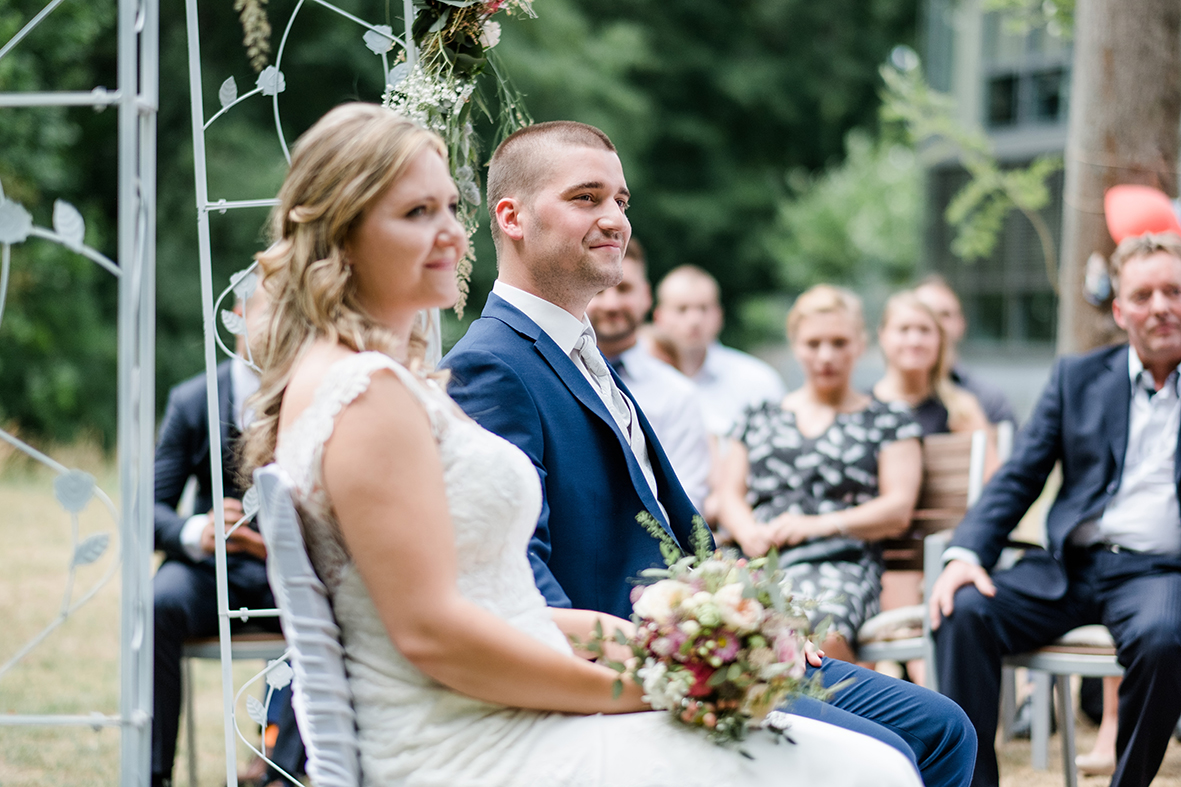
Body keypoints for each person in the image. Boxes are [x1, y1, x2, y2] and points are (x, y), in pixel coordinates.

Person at [241, 103, 924, 787]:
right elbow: (431, 633)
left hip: (522, 690)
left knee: (884, 753)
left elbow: (490, 597)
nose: (451, 232)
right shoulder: (368, 393)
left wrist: (650, 644)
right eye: (416, 212)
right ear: (342, 229)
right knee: (873, 770)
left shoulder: (373, 378)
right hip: (476, 742)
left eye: (449, 206)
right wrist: (637, 688)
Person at [443, 121, 975, 787]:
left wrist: (758, 617)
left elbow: (677, 529)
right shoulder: (491, 366)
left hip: (724, 641)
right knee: (885, 754)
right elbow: (517, 576)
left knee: (943, 727)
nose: (613, 219)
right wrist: (677, 661)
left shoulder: (591, 359)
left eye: (621, 201)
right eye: (586, 197)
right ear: (511, 217)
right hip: (639, 670)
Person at [929, 232, 1181, 787]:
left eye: (1174, 291)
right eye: (1143, 296)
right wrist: (965, 553)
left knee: (1166, 639)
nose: (1160, 306)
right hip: (1069, 567)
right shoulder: (1078, 378)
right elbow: (1019, 476)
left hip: (1158, 574)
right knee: (964, 608)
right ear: (1119, 310)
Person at [715, 284, 924, 664]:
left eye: (839, 342)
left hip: (840, 563)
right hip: (759, 559)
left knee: (816, 632)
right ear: (796, 345)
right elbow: (729, 494)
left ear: (860, 344)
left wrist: (814, 525)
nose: (826, 356)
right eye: (813, 344)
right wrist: (748, 532)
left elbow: (898, 508)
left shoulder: (888, 420)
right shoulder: (759, 416)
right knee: (717, 620)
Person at [152, 290, 302, 787]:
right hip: (207, 570)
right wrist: (201, 531)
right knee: (160, 603)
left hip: (290, 569)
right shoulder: (193, 399)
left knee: (338, 604)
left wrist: (273, 547)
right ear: (237, 317)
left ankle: (281, 768)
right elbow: (148, 511)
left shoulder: (311, 392)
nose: (283, 321)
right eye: (272, 307)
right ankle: (154, 773)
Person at [586, 237, 711, 510]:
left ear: (646, 295)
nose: (611, 304)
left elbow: (687, 498)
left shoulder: (678, 395)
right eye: (599, 290)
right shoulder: (551, 377)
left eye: (624, 288)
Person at [651, 265, 787, 438]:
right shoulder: (633, 382)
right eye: (682, 309)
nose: (694, 320)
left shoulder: (758, 382)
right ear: (658, 317)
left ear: (719, 315)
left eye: (703, 308)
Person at [873, 290, 992, 438]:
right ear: (882, 335)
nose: (914, 341)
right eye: (903, 329)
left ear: (940, 340)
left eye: (925, 330)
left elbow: (990, 461)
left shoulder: (962, 410)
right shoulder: (861, 408)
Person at [913, 276, 1017, 426]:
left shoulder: (988, 400)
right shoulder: (874, 402)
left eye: (944, 315)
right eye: (925, 314)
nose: (934, 324)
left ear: (961, 324)